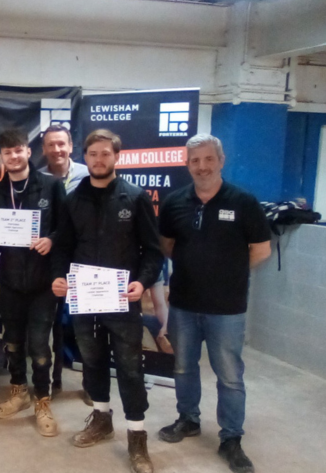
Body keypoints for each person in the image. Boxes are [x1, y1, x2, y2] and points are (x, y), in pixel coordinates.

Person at [157, 134, 271, 473]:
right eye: (195, 160)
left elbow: (261, 250)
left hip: (227, 308)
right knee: (183, 368)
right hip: (184, 304)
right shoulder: (174, 202)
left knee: (230, 377)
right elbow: (167, 245)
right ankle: (188, 419)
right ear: (187, 163)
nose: (202, 166)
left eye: (209, 159)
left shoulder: (244, 202)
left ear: (221, 161)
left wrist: (225, 273)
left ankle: (231, 438)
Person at [51, 129, 163, 473]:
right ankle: (101, 419)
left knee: (130, 368)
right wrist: (58, 277)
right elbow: (64, 246)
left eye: (105, 154)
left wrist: (142, 282)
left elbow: (153, 251)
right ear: (85, 157)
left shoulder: (135, 197)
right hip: (84, 300)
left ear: (117, 157)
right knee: (92, 361)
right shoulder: (73, 199)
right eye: (93, 154)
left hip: (122, 301)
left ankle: (137, 436)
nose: (99, 160)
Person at [0, 128, 65, 437]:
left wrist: (51, 240)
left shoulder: (51, 186)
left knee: (40, 346)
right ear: (2, 157)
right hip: (10, 279)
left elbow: (65, 229)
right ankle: (18, 390)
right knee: (13, 342)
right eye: (7, 152)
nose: (13, 156)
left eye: (18, 150)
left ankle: (42, 400)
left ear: (28, 152)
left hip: (43, 282)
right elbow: (1, 235)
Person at [37, 124, 92, 404]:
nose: (57, 149)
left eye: (62, 144)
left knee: (86, 325)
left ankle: (91, 385)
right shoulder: (38, 179)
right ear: (44, 149)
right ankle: (50, 381)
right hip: (50, 261)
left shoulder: (89, 174)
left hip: (85, 259)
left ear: (70, 146)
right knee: (50, 324)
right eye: (51, 145)